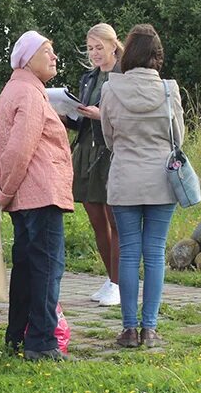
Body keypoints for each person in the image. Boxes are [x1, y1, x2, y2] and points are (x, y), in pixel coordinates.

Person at [0, 30, 74, 361]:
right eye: (47, 51)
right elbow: (17, 150)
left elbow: (2, 151)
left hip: (26, 195)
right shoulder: (29, 94)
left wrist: (3, 190)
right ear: (27, 59)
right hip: (39, 194)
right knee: (47, 268)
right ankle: (41, 342)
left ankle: (17, 336)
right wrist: (5, 190)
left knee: (27, 268)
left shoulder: (16, 89)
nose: (54, 57)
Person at [100, 24, 184, 349]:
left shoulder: (110, 89)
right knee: (154, 252)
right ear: (157, 56)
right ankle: (150, 329)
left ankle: (128, 329)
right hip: (161, 180)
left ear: (128, 53)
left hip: (124, 179)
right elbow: (178, 137)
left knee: (129, 251)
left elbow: (108, 136)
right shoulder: (168, 90)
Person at [66, 23, 123, 307]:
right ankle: (111, 278)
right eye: (90, 49)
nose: (94, 54)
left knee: (115, 221)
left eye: (99, 47)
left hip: (111, 152)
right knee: (96, 221)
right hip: (86, 151)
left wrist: (101, 115)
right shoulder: (88, 78)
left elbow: (125, 117)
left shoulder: (124, 76)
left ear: (114, 45)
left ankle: (119, 283)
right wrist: (62, 112)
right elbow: (80, 121)